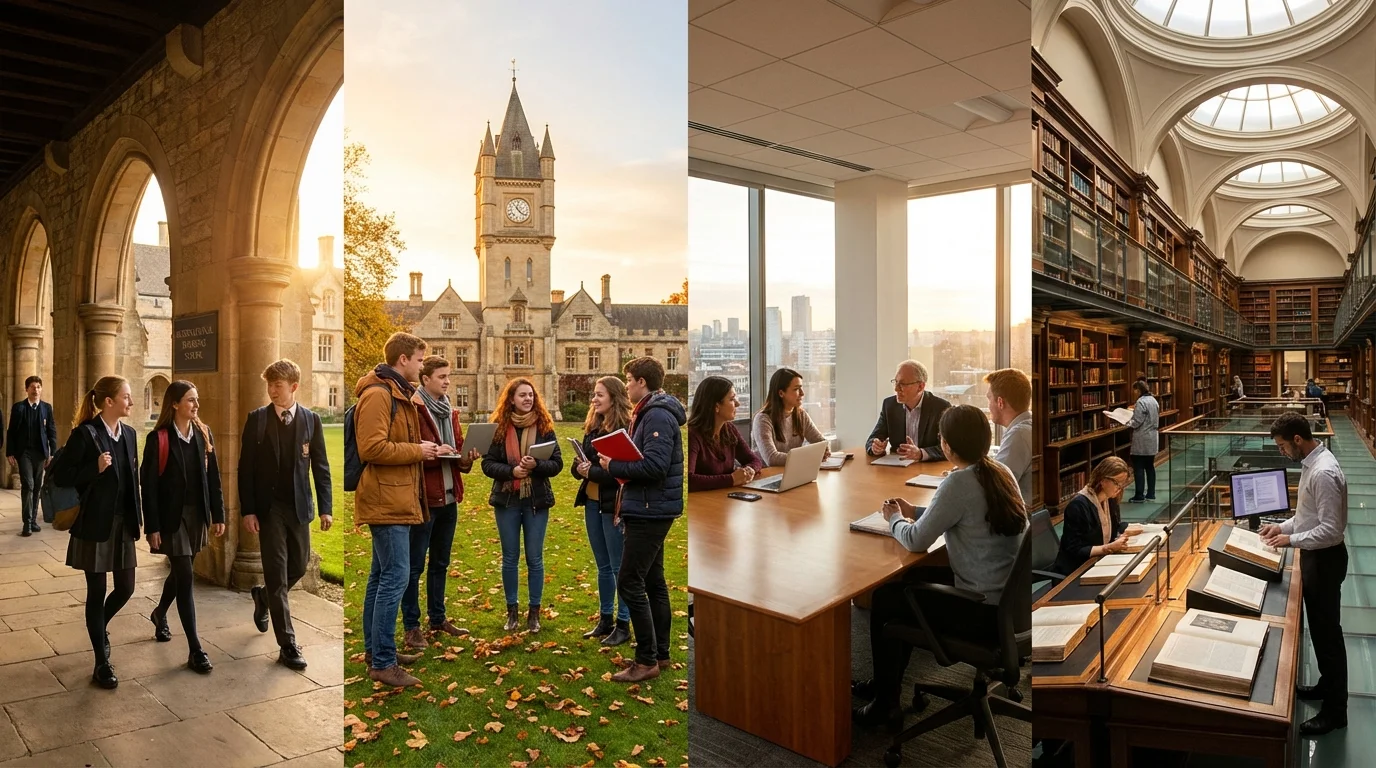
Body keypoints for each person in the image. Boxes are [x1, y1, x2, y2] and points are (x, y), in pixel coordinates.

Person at [852, 405, 1028, 726]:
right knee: (908, 582)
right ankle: (884, 684)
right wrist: (916, 510)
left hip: (979, 612)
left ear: (946, 445)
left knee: (886, 597)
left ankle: (885, 705)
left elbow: (916, 541)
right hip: (1007, 604)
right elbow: (965, 514)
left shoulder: (958, 483)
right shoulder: (999, 473)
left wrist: (894, 519)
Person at [239, 359, 332, 672]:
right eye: (269, 385)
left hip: (299, 507)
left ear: (293, 386)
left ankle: (263, 597)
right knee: (278, 574)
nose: (272, 391)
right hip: (268, 510)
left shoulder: (311, 420)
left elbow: (320, 466)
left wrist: (326, 508)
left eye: (277, 385)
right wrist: (249, 510)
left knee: (299, 564)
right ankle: (288, 645)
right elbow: (246, 470)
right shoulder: (257, 420)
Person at [356, 333, 437, 687]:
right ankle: (384, 662)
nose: (422, 366)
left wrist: (418, 448)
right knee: (394, 579)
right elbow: (371, 448)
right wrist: (418, 451)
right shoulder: (378, 394)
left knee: (381, 578)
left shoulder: (395, 392)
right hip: (386, 501)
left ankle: (378, 651)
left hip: (396, 498)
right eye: (420, 360)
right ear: (403, 360)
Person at [50, 376, 141, 689]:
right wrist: (94, 469)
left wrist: (139, 521)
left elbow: (132, 482)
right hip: (94, 524)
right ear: (109, 402)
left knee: (127, 587)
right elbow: (60, 475)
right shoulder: (85, 435)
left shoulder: (129, 434)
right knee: (96, 590)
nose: (130, 402)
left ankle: (99, 624)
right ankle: (102, 662)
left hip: (122, 524)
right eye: (126, 397)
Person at [1262, 413, 1348, 735]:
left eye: (1283, 446)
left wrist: (1290, 540)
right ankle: (1327, 686)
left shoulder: (1323, 472)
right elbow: (1307, 517)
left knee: (1328, 638)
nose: (1282, 452)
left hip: (1325, 560)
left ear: (1298, 439)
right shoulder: (1312, 464)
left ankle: (1336, 712)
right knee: (1322, 633)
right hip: (1315, 556)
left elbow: (1330, 530)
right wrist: (1281, 527)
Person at [602, 357, 685, 683]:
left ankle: (646, 659)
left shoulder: (657, 416)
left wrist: (614, 466)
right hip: (651, 507)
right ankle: (659, 654)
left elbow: (654, 466)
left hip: (650, 509)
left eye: (628, 380)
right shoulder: (651, 413)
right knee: (652, 581)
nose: (626, 386)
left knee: (630, 581)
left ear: (641, 382)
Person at [141, 381, 225, 673]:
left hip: (197, 517)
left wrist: (219, 515)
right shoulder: (159, 439)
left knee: (180, 573)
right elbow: (148, 487)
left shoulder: (204, 434)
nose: (196, 405)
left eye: (197, 399)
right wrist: (152, 526)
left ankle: (159, 612)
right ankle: (195, 649)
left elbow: (213, 478)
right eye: (190, 400)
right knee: (186, 576)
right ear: (175, 404)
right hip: (171, 519)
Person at [403, 356, 480, 650]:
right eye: (442, 377)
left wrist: (466, 458)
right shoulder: (414, 409)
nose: (448, 381)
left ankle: (438, 618)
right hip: (424, 498)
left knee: (440, 563)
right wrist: (437, 452)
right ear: (425, 380)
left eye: (449, 376)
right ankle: (411, 626)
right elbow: (412, 454)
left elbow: (458, 456)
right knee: (414, 567)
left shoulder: (449, 410)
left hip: (450, 497)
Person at [482, 378, 562, 634]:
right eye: (522, 395)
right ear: (511, 399)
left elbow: (557, 464)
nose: (528, 399)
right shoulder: (498, 428)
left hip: (536, 501)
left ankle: (534, 613)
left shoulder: (544, 427)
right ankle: (512, 611)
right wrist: (511, 471)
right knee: (510, 558)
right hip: (507, 501)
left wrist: (536, 466)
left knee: (535, 558)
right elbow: (487, 464)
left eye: (531, 395)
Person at [571, 376, 634, 646]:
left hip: (614, 504)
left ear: (614, 398)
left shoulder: (625, 429)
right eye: (594, 395)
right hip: (592, 502)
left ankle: (623, 623)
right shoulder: (593, 425)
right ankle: (605, 619)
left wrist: (592, 471)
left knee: (619, 566)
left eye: (599, 395)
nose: (594, 399)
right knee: (603, 566)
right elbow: (579, 467)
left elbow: (621, 473)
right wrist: (580, 469)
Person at [1052, 456, 1143, 575]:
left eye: (1122, 484)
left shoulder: (1109, 499)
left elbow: (1111, 528)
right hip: (1076, 570)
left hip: (1099, 563)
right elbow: (1074, 550)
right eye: (1117, 483)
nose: (1120, 488)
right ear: (1102, 480)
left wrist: (1126, 529)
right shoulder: (1078, 506)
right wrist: (1107, 548)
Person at [687, 376, 761, 492]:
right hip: (701, 504)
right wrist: (731, 479)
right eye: (732, 399)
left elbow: (754, 460)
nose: (738, 404)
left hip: (724, 500)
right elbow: (688, 480)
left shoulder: (729, 429)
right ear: (716, 407)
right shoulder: (692, 435)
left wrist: (748, 470)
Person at [866, 360, 950, 462]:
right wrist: (876, 447)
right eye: (896, 382)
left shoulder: (941, 408)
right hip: (898, 469)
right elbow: (873, 439)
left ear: (920, 386)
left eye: (902, 384)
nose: (896, 389)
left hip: (929, 470)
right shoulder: (889, 405)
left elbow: (950, 447)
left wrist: (920, 453)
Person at [6, 375, 57, 536]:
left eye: (38, 387)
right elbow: (11, 431)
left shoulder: (46, 408)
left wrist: (52, 453)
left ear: (41, 389)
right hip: (24, 452)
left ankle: (33, 520)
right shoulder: (19, 408)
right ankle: (26, 523)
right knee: (28, 484)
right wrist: (10, 452)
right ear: (26, 389)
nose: (36, 390)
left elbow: (52, 431)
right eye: (33, 387)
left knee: (36, 486)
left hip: (40, 453)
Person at [751, 368, 827, 467]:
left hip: (791, 472)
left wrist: (825, 449)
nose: (802, 393)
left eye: (801, 388)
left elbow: (821, 442)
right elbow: (771, 458)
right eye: (796, 389)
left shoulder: (801, 415)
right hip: (766, 476)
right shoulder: (762, 420)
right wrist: (809, 457)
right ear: (781, 393)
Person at [985, 368, 1033, 506]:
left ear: (1000, 402)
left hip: (1017, 517)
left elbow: (995, 485)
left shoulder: (1019, 435)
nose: (988, 406)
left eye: (989, 399)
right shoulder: (1027, 427)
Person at [1126, 380, 1159, 503]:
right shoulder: (1153, 400)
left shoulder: (1141, 402)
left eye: (1135, 390)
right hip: (1152, 437)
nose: (1134, 393)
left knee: (1138, 466)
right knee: (1150, 466)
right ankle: (1151, 494)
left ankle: (1139, 495)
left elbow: (1137, 421)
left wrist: (1126, 421)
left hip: (1142, 438)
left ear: (1138, 390)